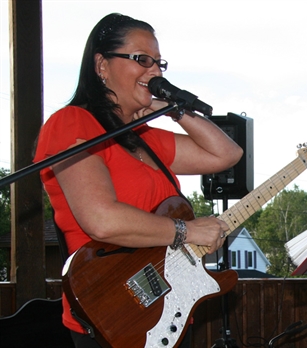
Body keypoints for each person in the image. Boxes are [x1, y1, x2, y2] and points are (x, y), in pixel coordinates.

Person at [33, 13, 243, 348]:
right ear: (101, 65)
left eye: (159, 63)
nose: (155, 71)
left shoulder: (147, 138)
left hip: (164, 308)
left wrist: (173, 109)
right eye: (142, 60)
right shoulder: (72, 124)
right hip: (112, 312)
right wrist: (188, 231)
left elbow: (226, 154)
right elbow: (101, 220)